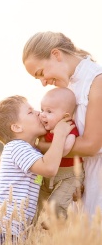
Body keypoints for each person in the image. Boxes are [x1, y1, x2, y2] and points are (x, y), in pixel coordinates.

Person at [22, 31, 102, 218]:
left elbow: (91, 145)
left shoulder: (97, 81)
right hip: (82, 180)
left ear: (56, 55)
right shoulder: (69, 86)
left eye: (41, 73)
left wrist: (41, 146)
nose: (43, 83)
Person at [0, 95, 74, 245]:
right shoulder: (16, 147)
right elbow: (50, 168)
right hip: (3, 229)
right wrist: (60, 134)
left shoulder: (32, 152)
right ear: (17, 127)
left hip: (14, 230)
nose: (39, 113)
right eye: (30, 112)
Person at [35, 87, 85, 228]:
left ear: (65, 116)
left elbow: (66, 149)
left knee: (57, 203)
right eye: (42, 109)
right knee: (34, 202)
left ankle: (58, 221)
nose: (43, 115)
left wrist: (56, 140)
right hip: (48, 175)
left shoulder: (68, 127)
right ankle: (27, 225)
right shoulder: (45, 129)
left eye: (49, 111)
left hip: (69, 175)